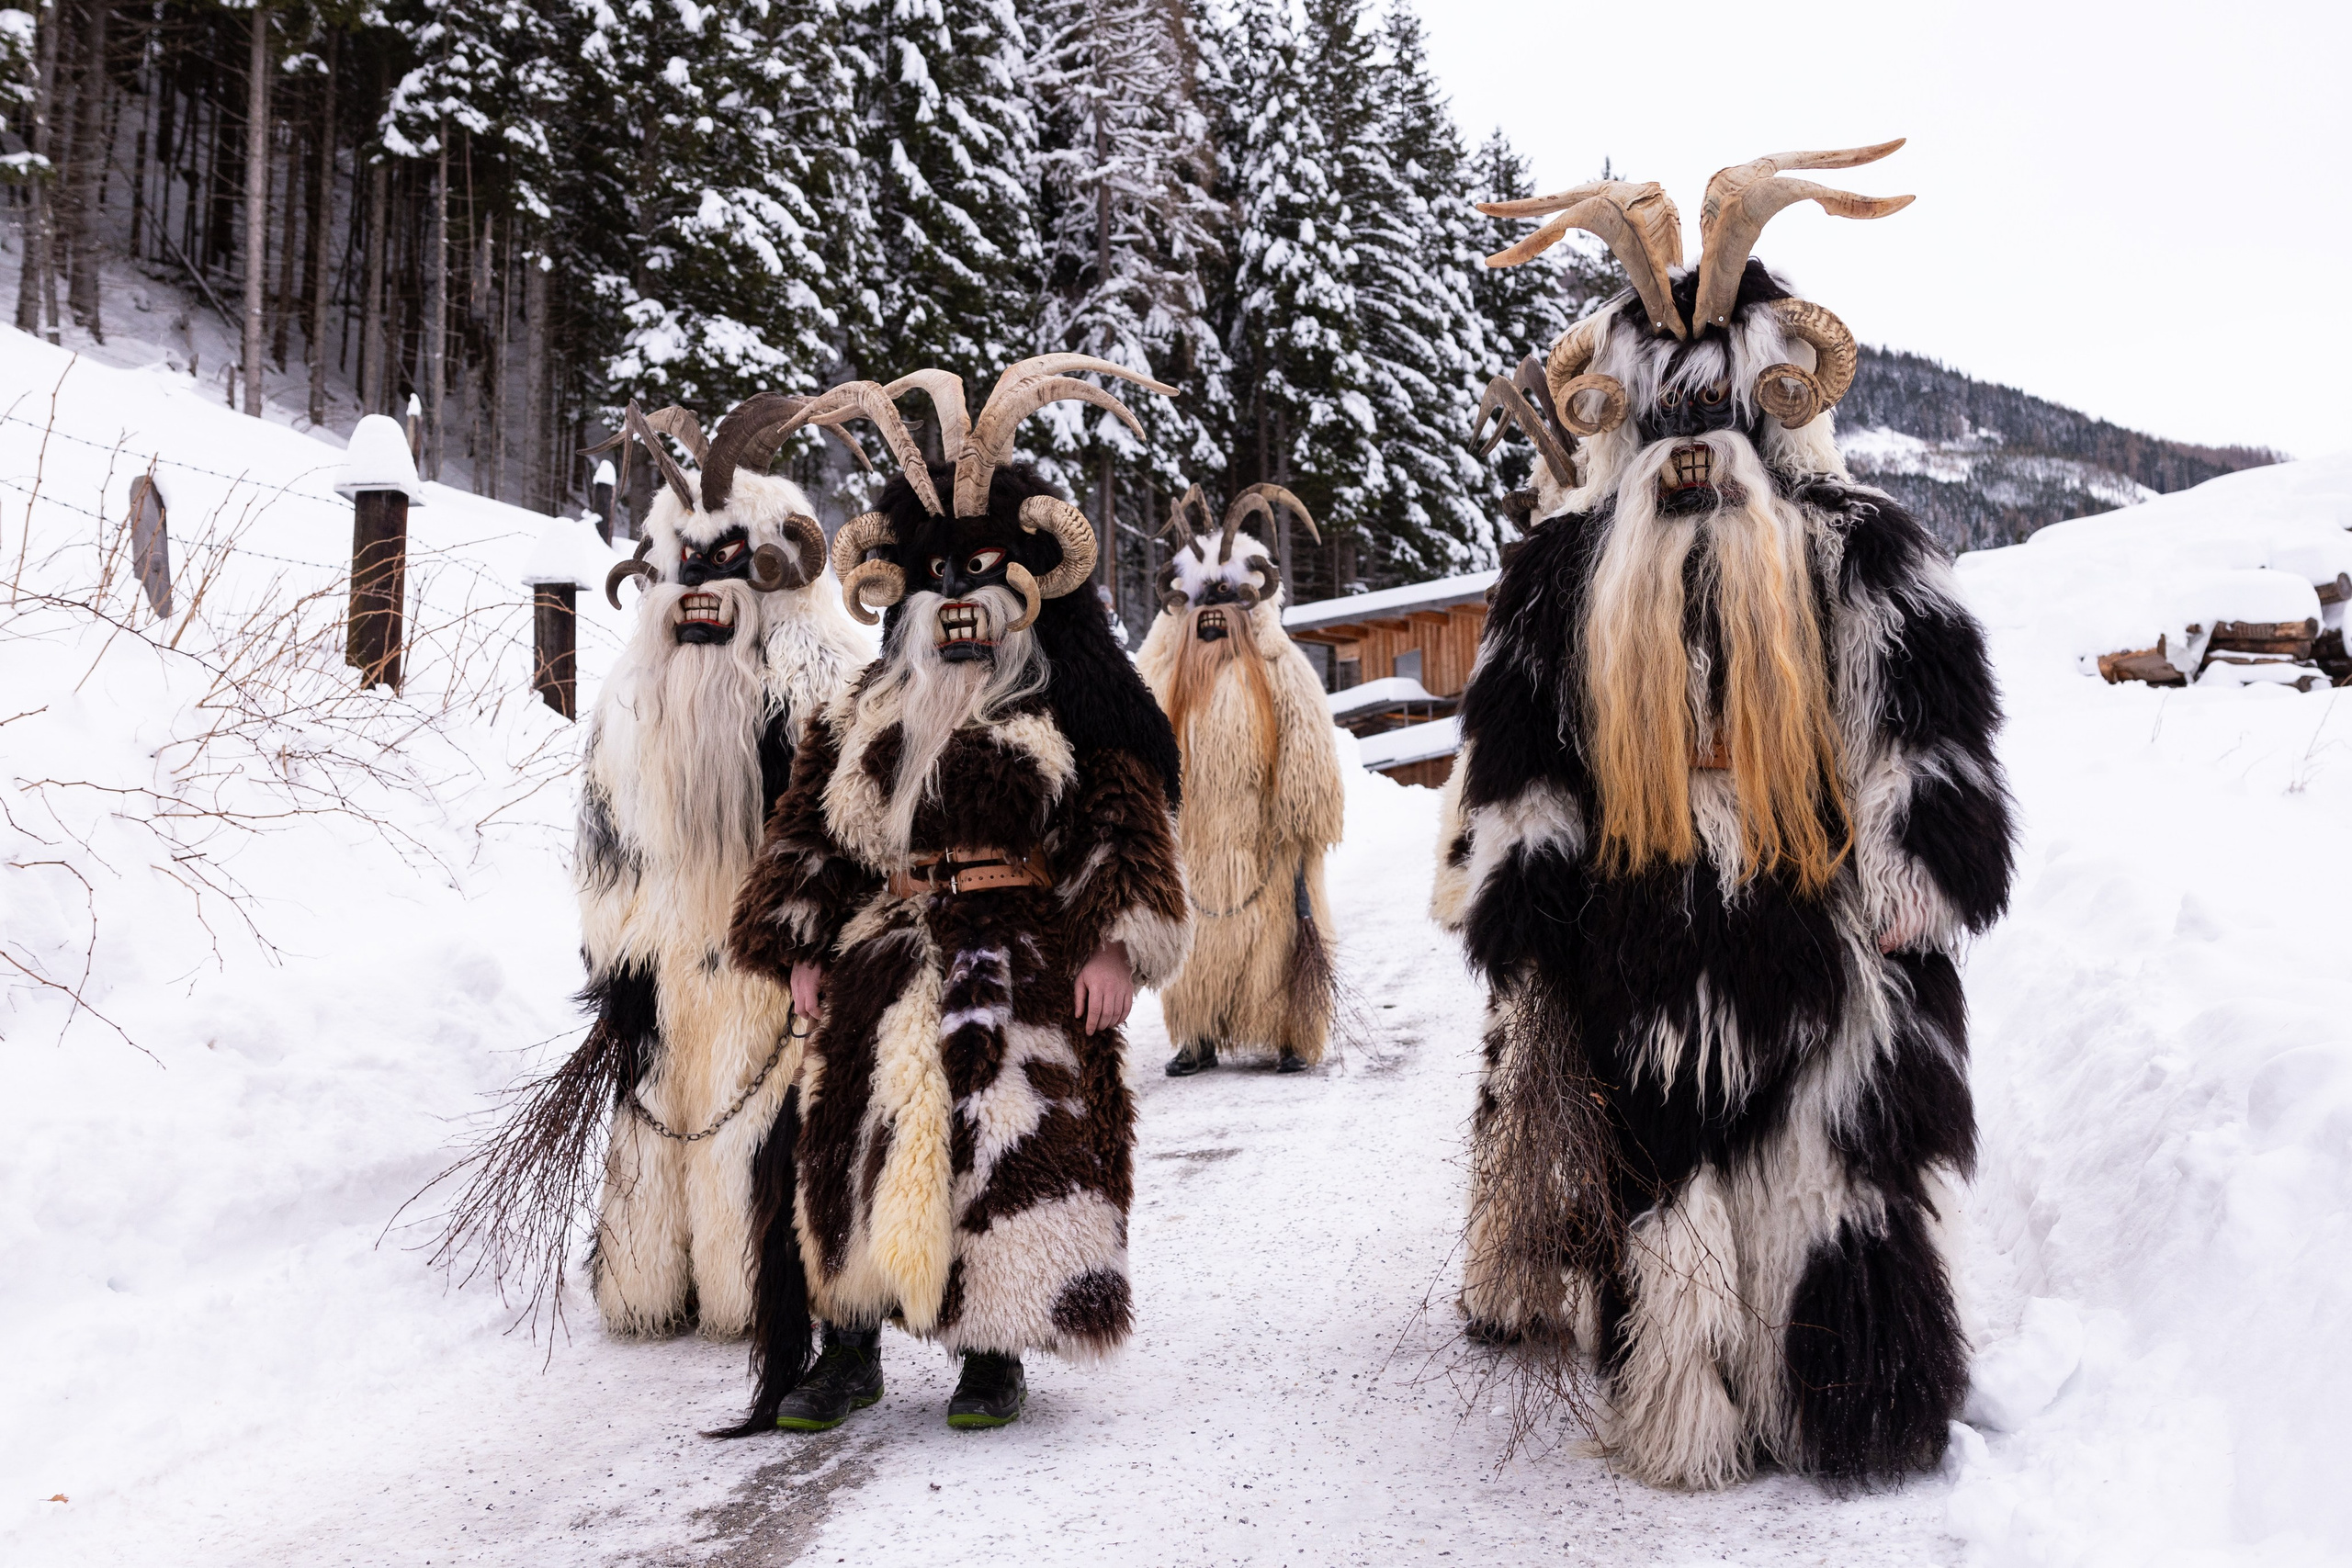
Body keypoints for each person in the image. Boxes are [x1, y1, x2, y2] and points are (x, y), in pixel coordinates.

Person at [1439, 142, 2016, 1487]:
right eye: (1667, 417)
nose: (1694, 453)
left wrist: (1908, 874)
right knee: (1669, 1176)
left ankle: (1845, 1392)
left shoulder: (1854, 541)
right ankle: (1691, 1402)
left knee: (1835, 1164)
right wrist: (1533, 913)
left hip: (1822, 926)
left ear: (1772, 405)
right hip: (1644, 936)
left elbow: (1930, 732)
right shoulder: (1565, 579)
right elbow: (1519, 766)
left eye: (1724, 413)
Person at [719, 357, 1190, 1432]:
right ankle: (849, 1350)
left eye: (983, 571)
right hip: (883, 947)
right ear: (910, 593)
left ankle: (993, 1351)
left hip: (1021, 950)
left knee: (1002, 1138)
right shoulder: (863, 707)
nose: (959, 595)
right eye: (940, 575)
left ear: (1024, 587)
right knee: (853, 1134)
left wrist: (1116, 947)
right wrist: (798, 937)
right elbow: (809, 831)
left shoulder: (1068, 707)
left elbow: (1125, 822)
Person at [571, 396, 870, 1337]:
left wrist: (821, 948)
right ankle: (655, 1282)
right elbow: (604, 853)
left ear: (776, 567)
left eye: (726, 563)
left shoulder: (824, 683)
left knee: (767, 1118)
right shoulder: (630, 701)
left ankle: (763, 1285)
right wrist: (613, 964)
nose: (701, 587)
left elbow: (848, 839)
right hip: (662, 968)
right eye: (686, 564)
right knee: (659, 1115)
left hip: (774, 974)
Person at [1138, 485, 1345, 1077]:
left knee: (1276, 939)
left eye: (1226, 602)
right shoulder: (1162, 674)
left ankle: (1291, 1033)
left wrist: (1300, 822)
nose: (1212, 616)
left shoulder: (1281, 669)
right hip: (1193, 843)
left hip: (1265, 844)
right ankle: (1197, 1035)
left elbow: (1310, 748)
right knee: (1194, 944)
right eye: (1200, 605)